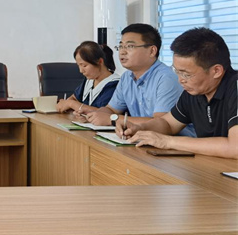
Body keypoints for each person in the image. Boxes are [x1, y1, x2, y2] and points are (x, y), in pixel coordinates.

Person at [117, 28, 237, 158]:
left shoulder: (234, 87)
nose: (181, 80)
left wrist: (168, 141)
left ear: (216, 71)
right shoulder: (193, 91)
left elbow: (235, 147)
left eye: (186, 74)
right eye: (177, 71)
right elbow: (168, 124)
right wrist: (140, 129)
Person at [83, 23, 183, 127]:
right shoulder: (126, 77)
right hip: (139, 135)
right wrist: (93, 115)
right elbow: (111, 109)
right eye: (120, 46)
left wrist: (113, 119)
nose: (122, 52)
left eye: (130, 46)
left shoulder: (166, 78)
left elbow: (161, 123)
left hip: (173, 137)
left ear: (152, 51)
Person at [56, 41, 120, 115]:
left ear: (100, 61)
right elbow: (74, 97)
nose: (81, 70)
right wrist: (68, 102)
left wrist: (71, 104)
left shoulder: (114, 84)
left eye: (84, 65)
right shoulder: (89, 80)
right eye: (79, 65)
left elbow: (103, 113)